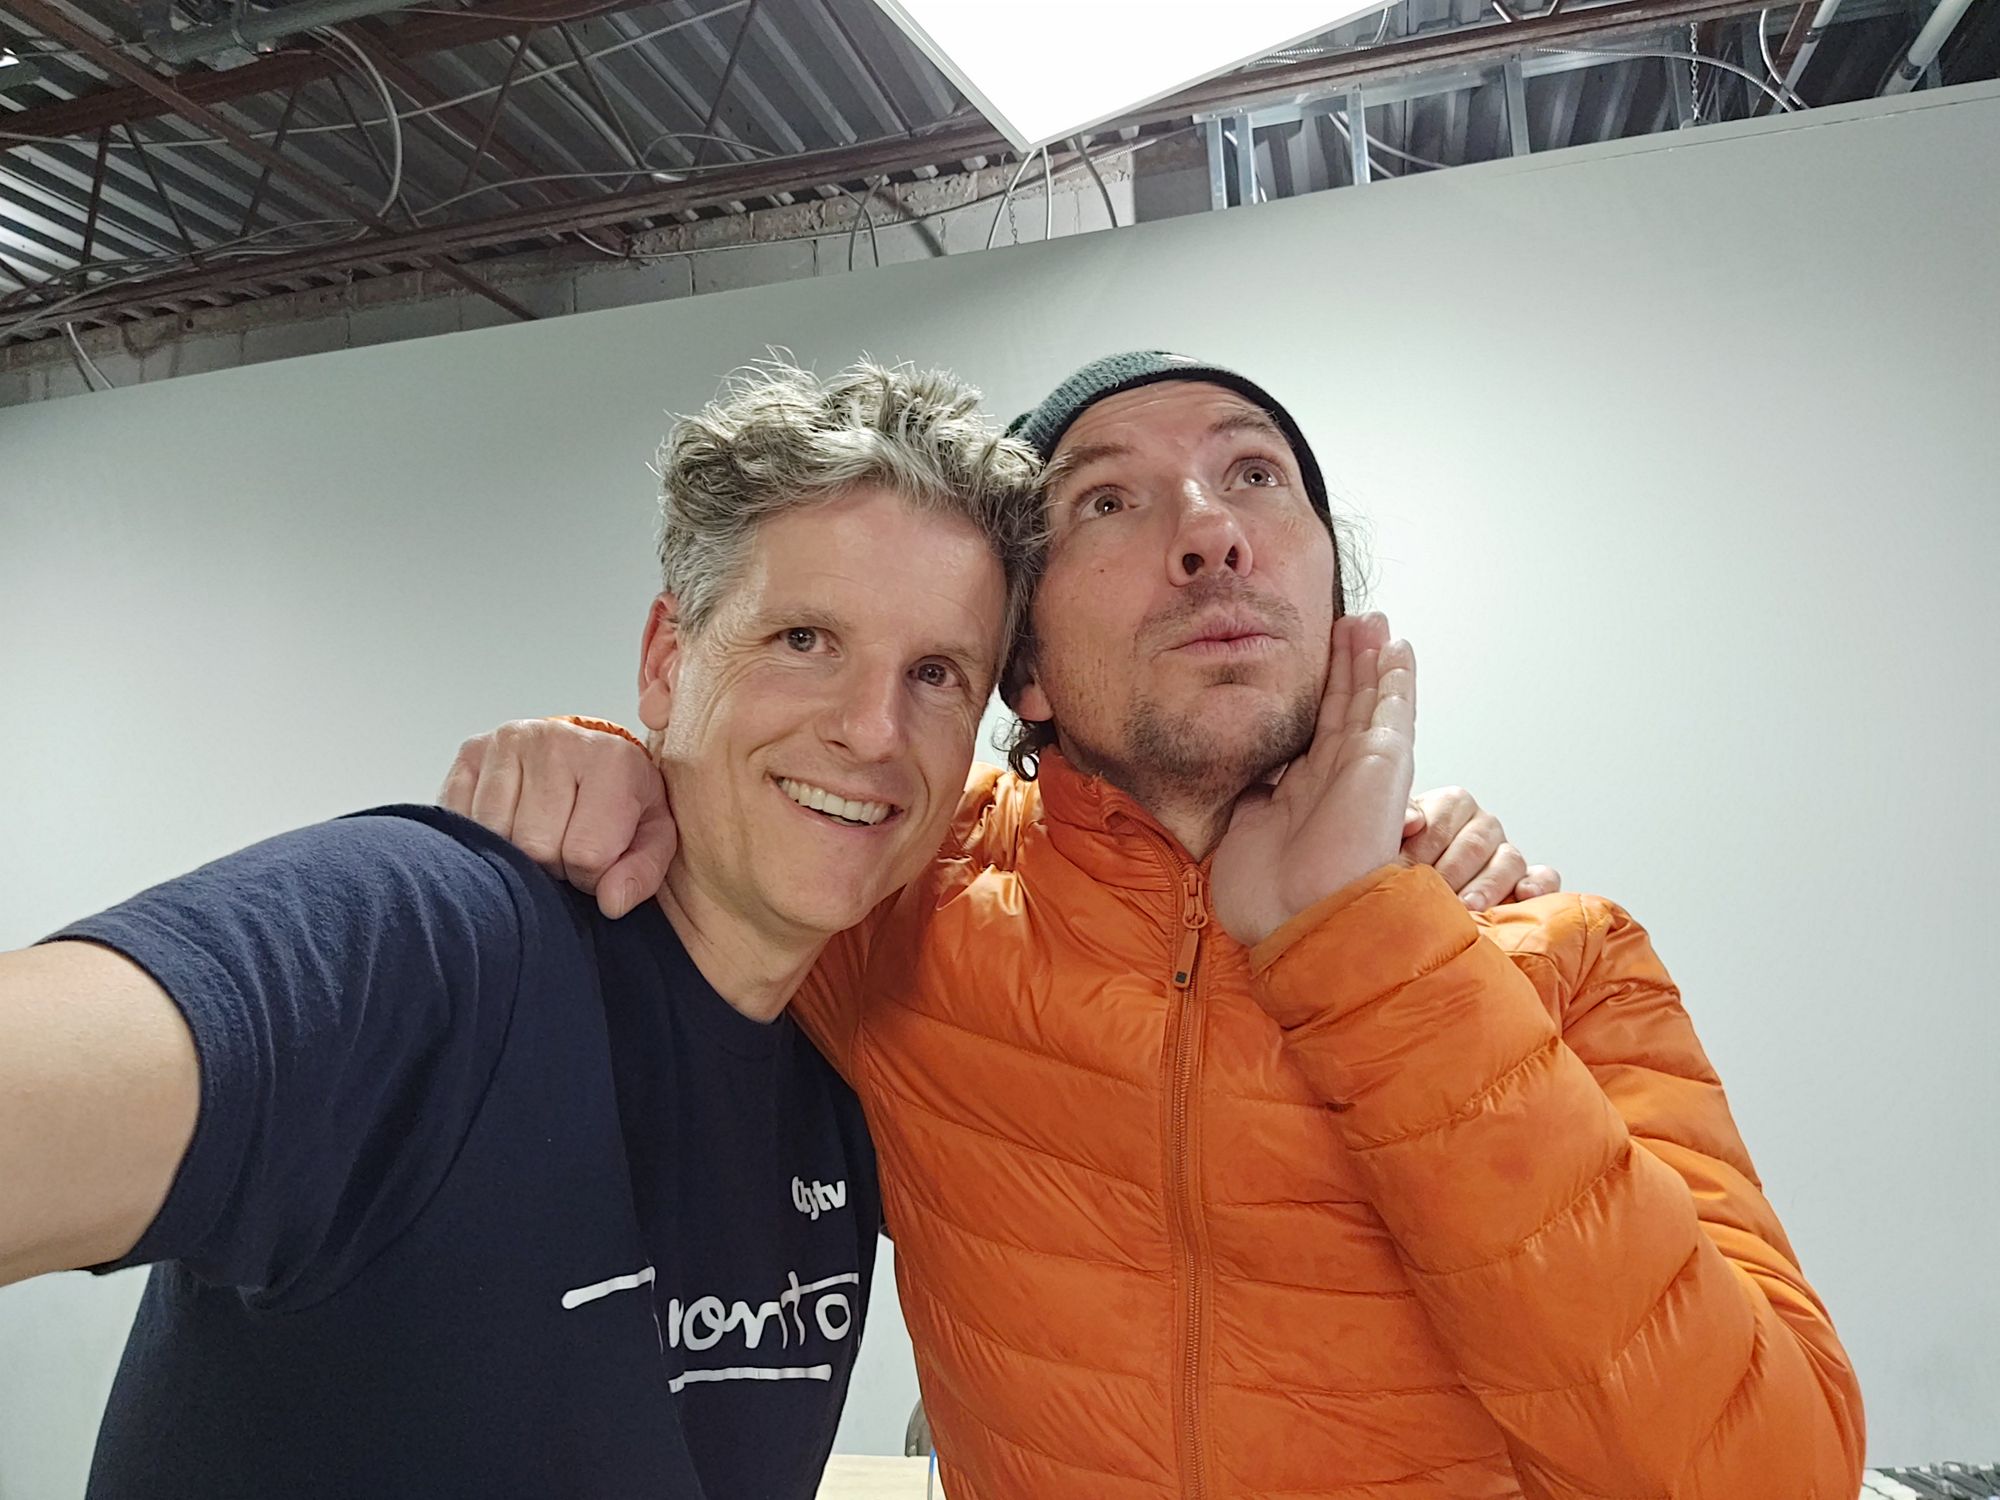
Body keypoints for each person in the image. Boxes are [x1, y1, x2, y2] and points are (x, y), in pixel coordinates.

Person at [450, 352, 1866, 1499]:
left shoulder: (1553, 957)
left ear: (1332, 600)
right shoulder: (908, 909)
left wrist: (1365, 939)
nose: (1209, 530)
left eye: (1255, 475)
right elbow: (784, 781)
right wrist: (617, 766)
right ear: (1025, 673)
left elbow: (1775, 1474)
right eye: (1109, 503)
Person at [0, 359, 1045, 1499]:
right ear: (667, 661)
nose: (873, 731)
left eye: (935, 673)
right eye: (803, 639)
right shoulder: (430, 942)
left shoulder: (849, 1070)